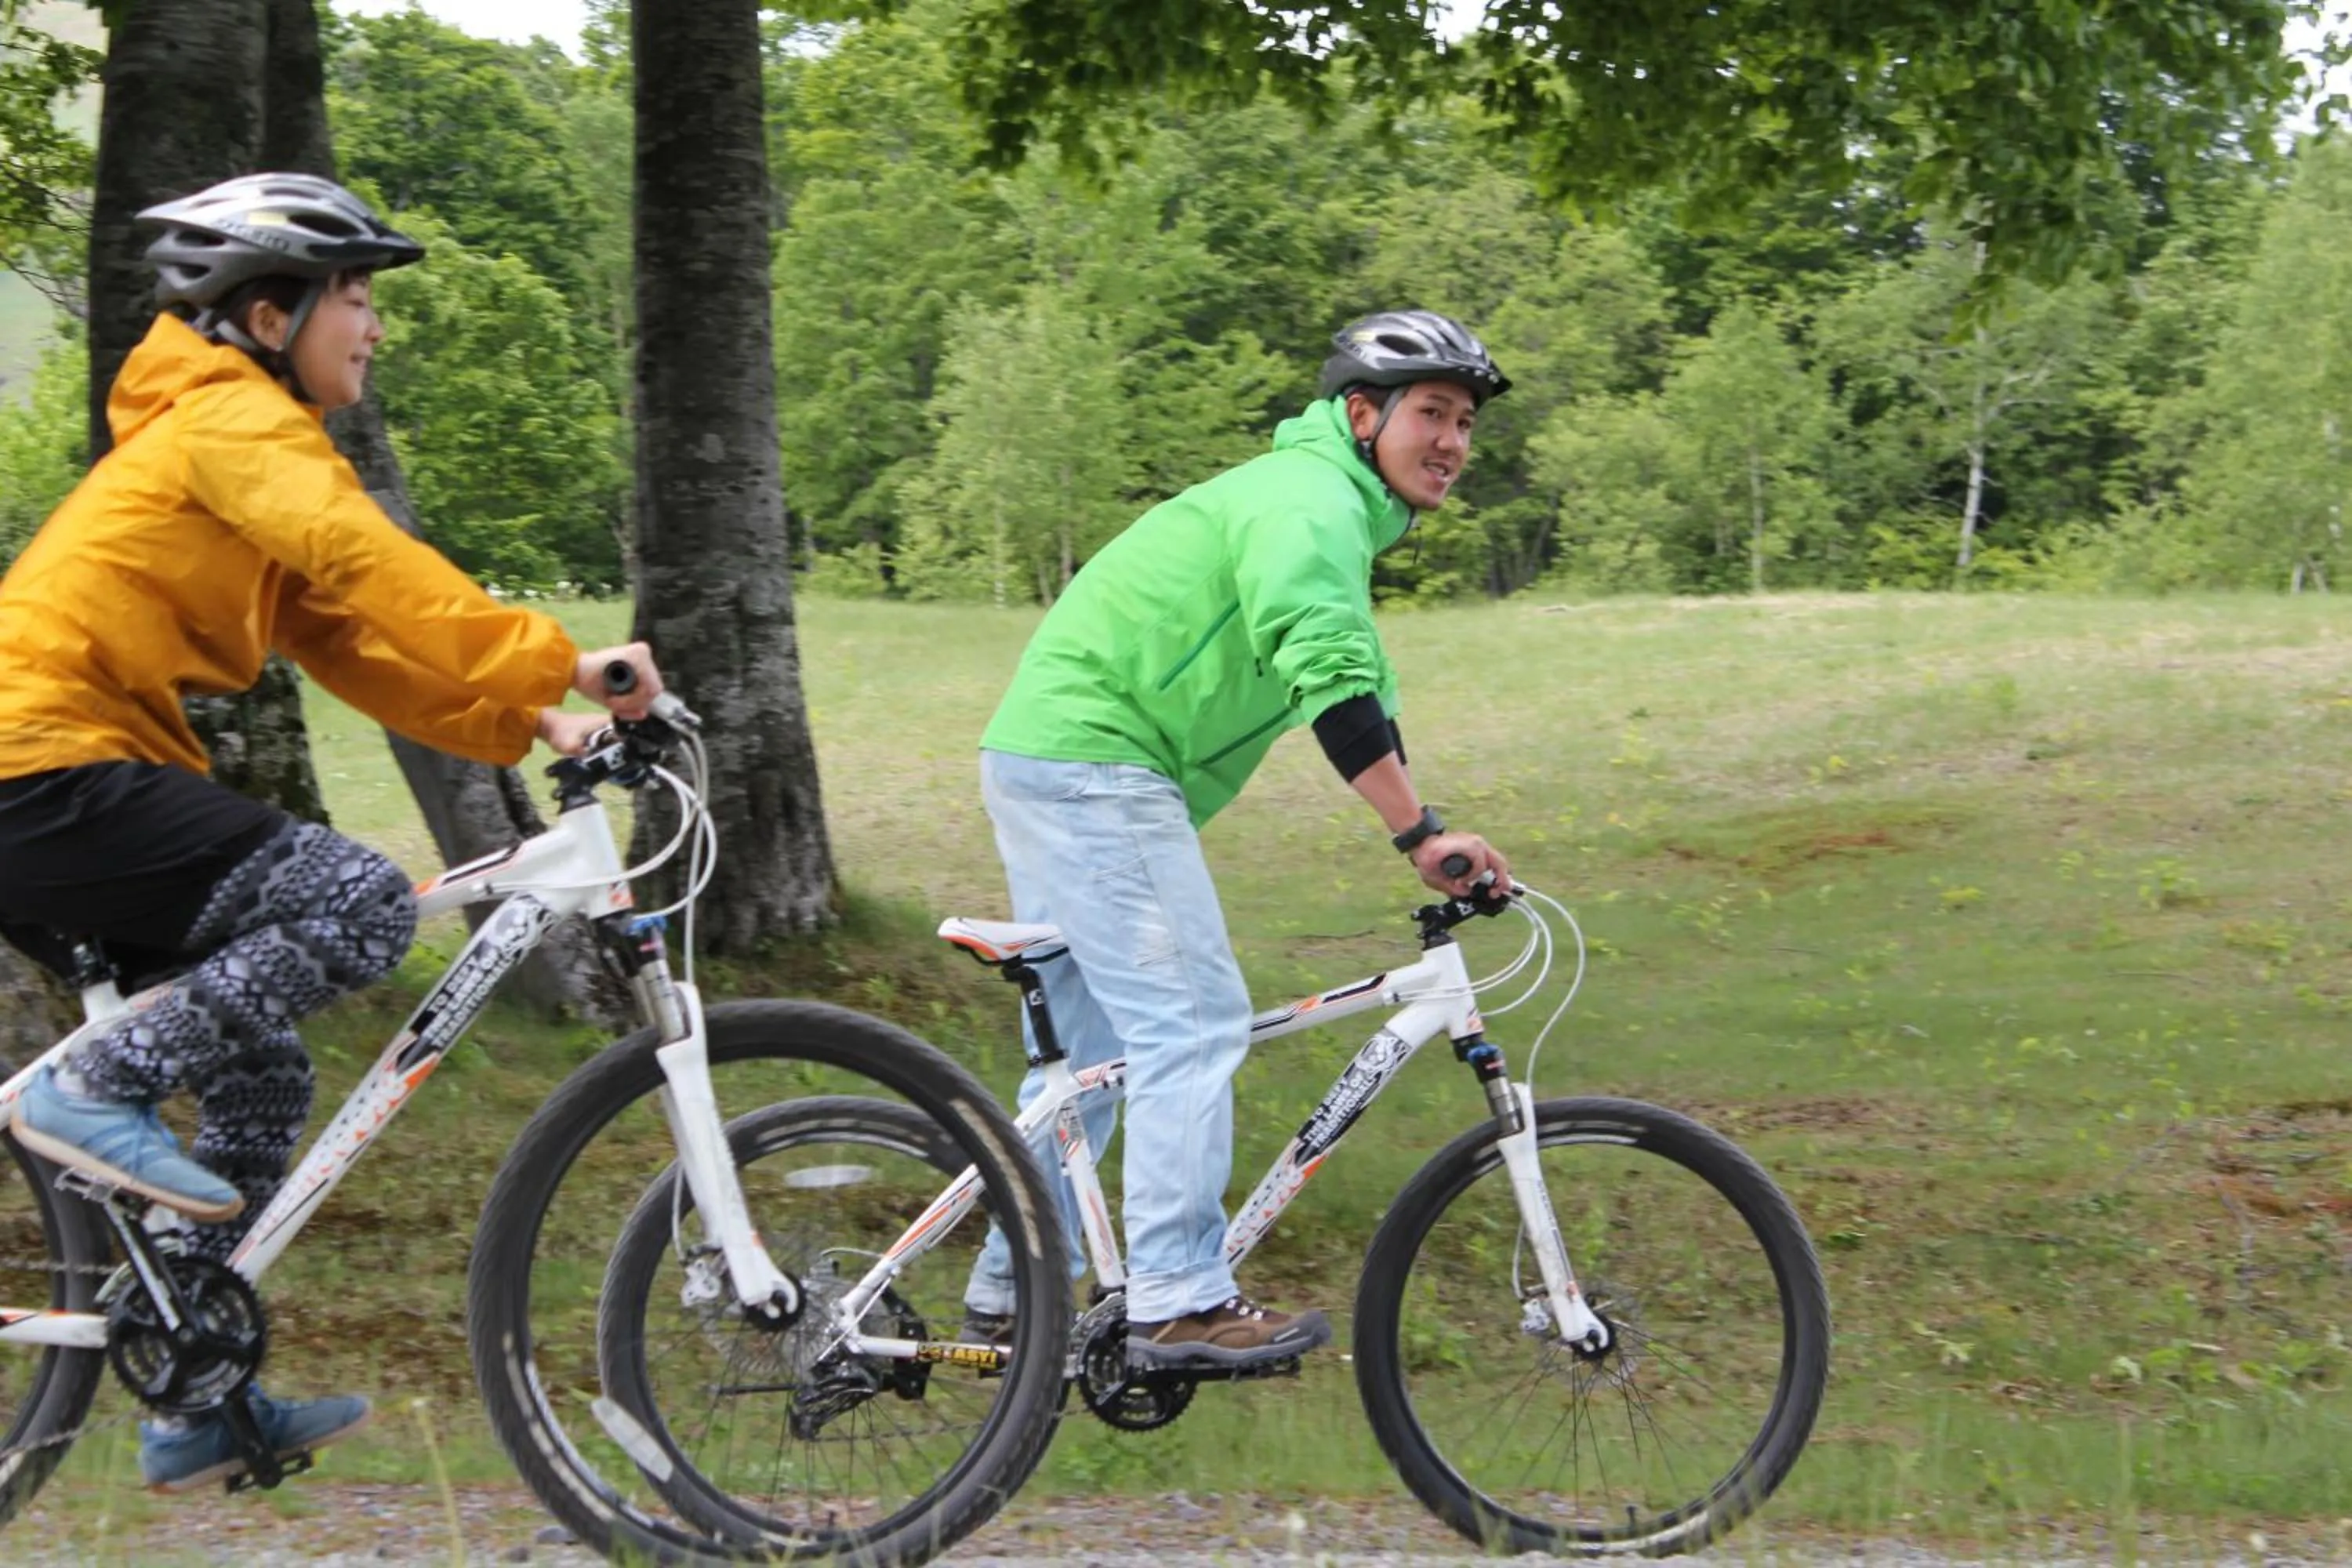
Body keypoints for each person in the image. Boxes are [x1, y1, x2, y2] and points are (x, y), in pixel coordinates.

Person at [0, 172, 661, 1492]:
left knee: (266, 1074)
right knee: (357, 901)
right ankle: (90, 1089)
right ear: (266, 310)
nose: (371, 323)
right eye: (353, 295)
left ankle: (197, 1385)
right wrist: (557, 656)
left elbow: (350, 640)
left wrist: (530, 710)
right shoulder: (232, 421)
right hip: (40, 769)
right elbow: (366, 558)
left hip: (59, 780)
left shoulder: (233, 436)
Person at [961, 308, 1516, 1370]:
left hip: (1055, 753)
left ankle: (1006, 1298)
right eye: (1431, 415)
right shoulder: (1311, 505)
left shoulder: (1322, 507)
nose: (1453, 443)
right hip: (1094, 760)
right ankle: (1174, 1300)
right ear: (1363, 416)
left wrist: (1431, 828)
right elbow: (1333, 683)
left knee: (1093, 1060)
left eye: (1465, 423)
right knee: (1192, 1023)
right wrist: (1418, 835)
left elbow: (1365, 698)